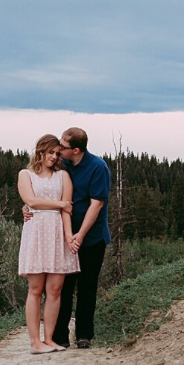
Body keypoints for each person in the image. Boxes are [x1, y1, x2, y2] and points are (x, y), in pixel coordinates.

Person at [17, 134, 79, 354]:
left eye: (57, 153)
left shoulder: (63, 176)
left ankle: (49, 339)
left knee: (55, 289)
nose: (54, 157)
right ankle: (35, 342)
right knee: (35, 289)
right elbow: (31, 201)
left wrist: (69, 237)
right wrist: (59, 203)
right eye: (50, 152)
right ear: (40, 151)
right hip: (35, 233)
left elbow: (67, 210)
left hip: (56, 233)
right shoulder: (26, 175)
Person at [50, 127, 111, 349]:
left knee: (87, 287)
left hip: (92, 238)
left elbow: (97, 204)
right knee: (63, 287)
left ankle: (84, 334)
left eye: (63, 146)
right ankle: (60, 335)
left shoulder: (98, 167)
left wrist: (80, 235)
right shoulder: (61, 164)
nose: (58, 149)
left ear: (76, 150)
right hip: (64, 236)